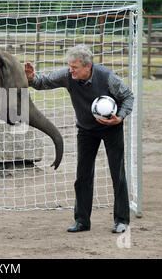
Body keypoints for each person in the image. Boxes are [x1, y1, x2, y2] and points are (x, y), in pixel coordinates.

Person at [25, 45, 134, 233]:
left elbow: (128, 97)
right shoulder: (69, 76)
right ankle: (82, 221)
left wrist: (120, 117)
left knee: (118, 174)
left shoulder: (108, 77)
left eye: (75, 67)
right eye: (69, 66)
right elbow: (45, 81)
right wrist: (31, 78)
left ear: (88, 66)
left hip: (111, 128)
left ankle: (121, 220)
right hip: (86, 130)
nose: (71, 70)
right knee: (82, 176)